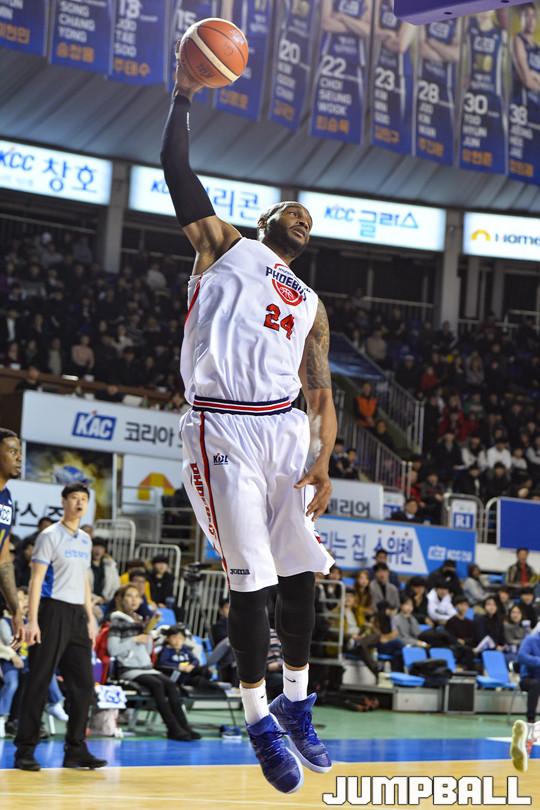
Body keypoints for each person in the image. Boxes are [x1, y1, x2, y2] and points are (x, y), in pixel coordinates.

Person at [161, 55, 336, 792]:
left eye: (310, 217)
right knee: (252, 580)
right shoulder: (226, 248)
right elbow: (176, 171)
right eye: (291, 208)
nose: (302, 215)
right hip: (222, 427)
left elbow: (320, 393)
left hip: (285, 433)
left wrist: (323, 459)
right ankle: (258, 718)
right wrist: (183, 94)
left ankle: (296, 702)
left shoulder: (312, 304)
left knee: (300, 572)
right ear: (265, 221)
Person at [14, 483, 106, 771]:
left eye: (84, 499)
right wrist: (32, 620)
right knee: (39, 680)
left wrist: (90, 617)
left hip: (77, 615)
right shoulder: (49, 535)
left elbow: (85, 580)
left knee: (84, 686)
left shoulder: (85, 540)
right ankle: (25, 750)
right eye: (74, 498)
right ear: (63, 502)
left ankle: (76, 749)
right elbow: (36, 580)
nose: (79, 503)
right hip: (51, 611)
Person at [108, 585, 198, 741]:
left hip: (147, 667)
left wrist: (147, 636)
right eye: (129, 596)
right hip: (129, 669)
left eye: (137, 596)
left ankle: (184, 726)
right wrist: (134, 639)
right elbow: (113, 650)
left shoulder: (140, 621)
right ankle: (172, 728)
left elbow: (147, 650)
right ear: (121, 599)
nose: (134, 600)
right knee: (157, 685)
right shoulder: (116, 622)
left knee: (170, 685)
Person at [0, 429, 23, 646]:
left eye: (20, 452)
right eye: (12, 451)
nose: (19, 458)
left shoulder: (6, 498)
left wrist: (15, 609)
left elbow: (3, 560)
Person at [511, 627, 540, 773]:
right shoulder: (531, 640)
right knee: (536, 685)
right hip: (528, 679)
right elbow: (521, 657)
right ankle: (530, 721)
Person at [88, 538, 120, 620]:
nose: (98, 550)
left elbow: (116, 586)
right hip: (90, 603)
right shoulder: (85, 565)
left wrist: (106, 599)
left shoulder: (110, 566)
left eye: (101, 547)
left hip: (108, 603)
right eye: (95, 547)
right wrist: (96, 599)